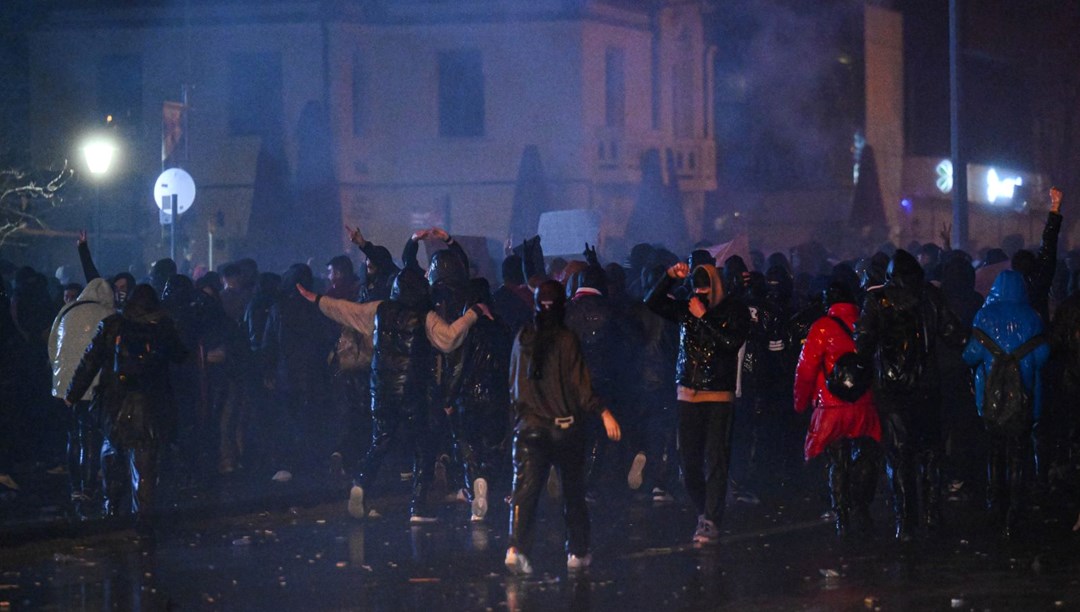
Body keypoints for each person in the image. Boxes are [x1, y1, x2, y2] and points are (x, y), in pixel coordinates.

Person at [297, 267, 487, 522]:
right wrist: (473, 313)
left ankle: (361, 484)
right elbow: (449, 338)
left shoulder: (380, 309)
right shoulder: (425, 316)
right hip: (414, 391)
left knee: (381, 441)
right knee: (423, 447)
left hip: (381, 390)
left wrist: (318, 299)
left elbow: (347, 310)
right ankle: (418, 507)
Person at [504, 280, 621, 575]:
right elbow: (581, 386)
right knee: (573, 492)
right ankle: (577, 551)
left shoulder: (522, 336)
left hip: (528, 427)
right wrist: (603, 411)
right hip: (562, 428)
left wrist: (518, 419)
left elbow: (513, 382)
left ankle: (516, 548)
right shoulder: (567, 339)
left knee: (525, 492)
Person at [854, 249, 965, 541]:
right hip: (927, 388)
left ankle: (905, 523)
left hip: (891, 392)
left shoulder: (877, 300)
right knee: (930, 454)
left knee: (899, 456)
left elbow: (862, 343)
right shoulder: (930, 296)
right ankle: (931, 516)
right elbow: (954, 334)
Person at [64, 284, 187, 534]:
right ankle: (143, 520)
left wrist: (73, 394)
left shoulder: (113, 325)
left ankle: (111, 510)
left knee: (111, 451)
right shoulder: (163, 327)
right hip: (151, 404)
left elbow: (90, 361)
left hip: (114, 401)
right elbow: (181, 356)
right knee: (144, 464)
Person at [645, 259, 751, 545]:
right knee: (689, 462)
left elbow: (731, 343)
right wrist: (669, 276)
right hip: (687, 393)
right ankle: (704, 510)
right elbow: (652, 302)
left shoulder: (734, 310)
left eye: (705, 289)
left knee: (715, 459)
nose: (700, 294)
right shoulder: (687, 308)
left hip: (718, 395)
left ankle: (711, 519)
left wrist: (704, 317)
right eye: (696, 288)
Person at [962, 270, 1050, 537]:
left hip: (991, 399)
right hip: (1024, 397)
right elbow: (1043, 356)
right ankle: (1015, 508)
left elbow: (971, 356)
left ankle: (995, 505)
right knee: (1018, 453)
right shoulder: (1032, 317)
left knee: (995, 452)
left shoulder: (984, 316)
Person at [793, 282, 881, 536]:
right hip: (863, 404)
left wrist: (800, 403)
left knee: (837, 461)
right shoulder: (866, 323)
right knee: (864, 456)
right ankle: (861, 507)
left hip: (831, 407)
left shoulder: (822, 327)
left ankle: (841, 514)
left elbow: (806, 369)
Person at [48, 278, 116, 516]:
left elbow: (52, 346)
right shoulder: (108, 314)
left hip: (64, 385)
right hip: (93, 386)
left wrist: (60, 376)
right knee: (91, 436)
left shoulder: (67, 311)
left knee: (73, 435)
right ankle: (88, 486)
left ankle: (75, 486)